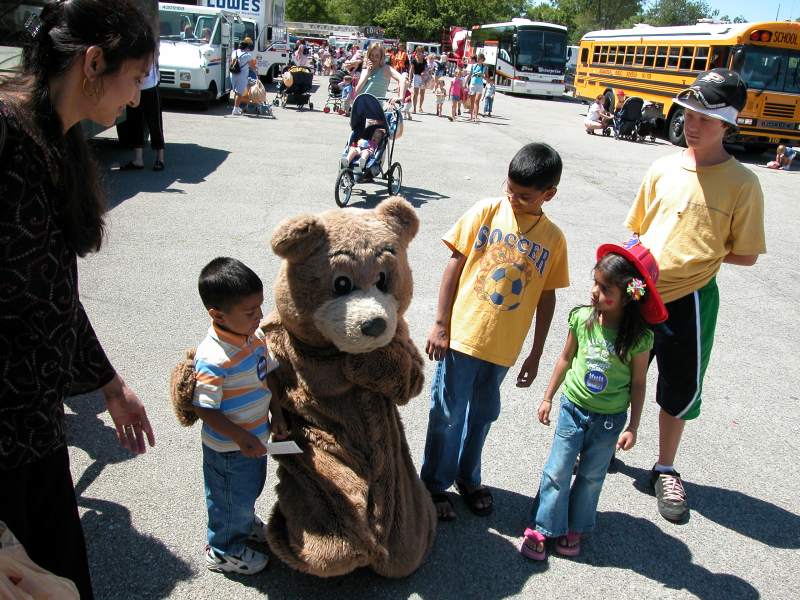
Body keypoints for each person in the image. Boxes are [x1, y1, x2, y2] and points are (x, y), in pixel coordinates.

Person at [0, 1, 157, 598]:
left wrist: (110, 385)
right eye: (136, 77)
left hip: (34, 434)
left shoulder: (55, 142)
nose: (138, 98)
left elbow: (51, 295)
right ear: (94, 62)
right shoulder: (7, 135)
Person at [625, 69, 766, 523]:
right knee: (618, 368)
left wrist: (694, 259)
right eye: (689, 111)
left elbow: (745, 254)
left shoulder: (743, 183)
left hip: (692, 301)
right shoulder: (662, 167)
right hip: (638, 287)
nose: (693, 122)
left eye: (706, 115)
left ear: (728, 124)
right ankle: (603, 443)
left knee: (679, 385)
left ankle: (665, 467)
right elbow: (637, 230)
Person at [420, 143, 570, 521]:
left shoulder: (553, 239)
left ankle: (468, 478)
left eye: (524, 195)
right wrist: (441, 322)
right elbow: (454, 264)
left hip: (504, 349)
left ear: (548, 195)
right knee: (448, 413)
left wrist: (536, 354)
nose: (513, 198)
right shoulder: (487, 211)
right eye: (510, 188)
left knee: (484, 414)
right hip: (463, 336)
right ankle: (434, 485)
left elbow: (546, 297)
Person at [519, 241, 665, 561]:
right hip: (573, 408)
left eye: (605, 288)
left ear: (629, 295)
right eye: (595, 283)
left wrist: (634, 426)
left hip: (610, 419)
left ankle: (575, 526)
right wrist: (547, 397)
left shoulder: (640, 338)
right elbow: (565, 358)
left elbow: (639, 384)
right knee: (558, 469)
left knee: (590, 476)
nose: (595, 292)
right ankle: (543, 525)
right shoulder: (582, 319)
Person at [192, 258, 288, 575]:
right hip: (230, 449)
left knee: (247, 490)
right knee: (230, 497)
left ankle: (242, 522)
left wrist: (276, 413)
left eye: (260, 308)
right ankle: (223, 551)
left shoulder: (255, 337)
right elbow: (203, 407)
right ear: (217, 314)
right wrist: (240, 436)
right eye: (250, 312)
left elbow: (268, 375)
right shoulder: (213, 358)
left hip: (254, 437)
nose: (259, 317)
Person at [120, 59, 165, 171]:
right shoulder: (133, 44)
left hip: (150, 87)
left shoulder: (150, 43)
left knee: (155, 123)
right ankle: (138, 160)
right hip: (135, 88)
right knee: (135, 123)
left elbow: (148, 67)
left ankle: (160, 159)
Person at [230, 38, 256, 116]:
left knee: (236, 91)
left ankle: (236, 107)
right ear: (246, 48)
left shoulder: (234, 52)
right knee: (240, 93)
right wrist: (256, 71)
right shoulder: (247, 55)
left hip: (233, 73)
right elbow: (252, 66)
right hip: (241, 75)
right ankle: (235, 109)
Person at [467, 54, 487, 123]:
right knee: (472, 101)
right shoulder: (473, 66)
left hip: (480, 85)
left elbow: (486, 77)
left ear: (482, 59)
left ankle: (476, 117)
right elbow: (470, 75)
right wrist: (466, 83)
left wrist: (483, 77)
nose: (478, 60)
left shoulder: (484, 67)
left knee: (477, 100)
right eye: (478, 58)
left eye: (480, 59)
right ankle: (471, 117)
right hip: (473, 84)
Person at [409, 46, 427, 113]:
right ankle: (414, 108)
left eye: (421, 51)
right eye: (418, 51)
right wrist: (410, 79)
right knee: (415, 94)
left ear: (422, 52)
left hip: (423, 78)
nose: (419, 53)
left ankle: (420, 107)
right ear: (416, 52)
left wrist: (424, 72)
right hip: (416, 77)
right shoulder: (413, 60)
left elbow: (426, 69)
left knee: (422, 93)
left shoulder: (424, 60)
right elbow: (411, 70)